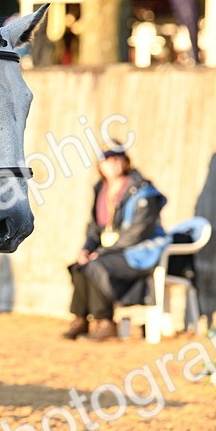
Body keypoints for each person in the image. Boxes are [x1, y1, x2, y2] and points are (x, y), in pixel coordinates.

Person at [62, 142, 168, 341]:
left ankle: (105, 322)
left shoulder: (143, 190)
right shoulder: (101, 189)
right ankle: (81, 319)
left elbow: (137, 233)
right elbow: (95, 228)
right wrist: (86, 249)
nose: (110, 164)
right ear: (99, 165)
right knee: (80, 265)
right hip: (112, 250)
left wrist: (102, 252)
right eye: (106, 160)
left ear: (125, 161)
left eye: (115, 159)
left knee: (96, 265)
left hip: (139, 252)